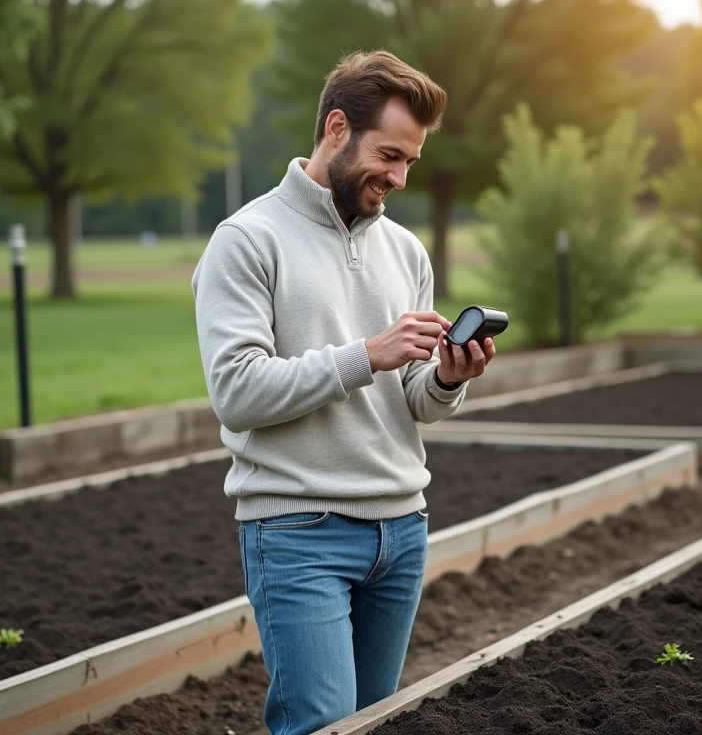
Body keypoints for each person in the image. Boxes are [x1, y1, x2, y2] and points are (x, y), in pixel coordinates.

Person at [191, 50, 496, 735]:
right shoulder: (246, 240)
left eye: (410, 161)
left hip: (403, 529)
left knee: (372, 724)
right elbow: (236, 392)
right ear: (336, 127)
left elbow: (412, 399)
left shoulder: (406, 251)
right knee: (322, 727)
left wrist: (447, 378)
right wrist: (367, 355)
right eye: (389, 154)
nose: (398, 176)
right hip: (300, 532)